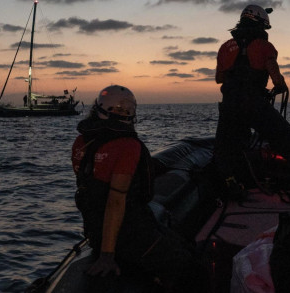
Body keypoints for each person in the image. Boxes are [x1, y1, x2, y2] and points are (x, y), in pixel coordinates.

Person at [71, 85, 199, 292]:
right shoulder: (128, 146)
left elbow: (93, 186)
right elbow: (115, 201)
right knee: (189, 264)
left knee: (176, 240)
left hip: (94, 231)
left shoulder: (81, 142)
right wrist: (107, 256)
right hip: (128, 236)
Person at [215, 4, 290, 200]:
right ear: (261, 25)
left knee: (227, 150)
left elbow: (220, 79)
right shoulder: (265, 47)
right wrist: (280, 85)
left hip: (229, 106)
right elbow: (275, 75)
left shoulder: (225, 47)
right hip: (254, 105)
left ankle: (232, 188)